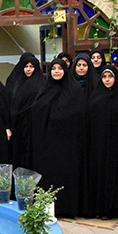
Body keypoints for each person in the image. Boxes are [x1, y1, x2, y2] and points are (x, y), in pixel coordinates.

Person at [30, 59, 88, 217]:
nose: (56, 71)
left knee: (66, 176)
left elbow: (78, 114)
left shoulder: (74, 90)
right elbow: (36, 111)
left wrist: (59, 117)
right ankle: (48, 206)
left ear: (65, 70)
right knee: (49, 176)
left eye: (60, 68)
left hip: (68, 144)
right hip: (47, 144)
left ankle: (68, 209)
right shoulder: (45, 89)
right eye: (53, 68)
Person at [87, 65, 118, 218]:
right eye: (104, 77)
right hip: (99, 145)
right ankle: (100, 208)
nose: (107, 80)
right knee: (100, 175)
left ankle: (115, 207)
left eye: (110, 77)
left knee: (115, 176)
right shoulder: (95, 97)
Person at [6, 53, 44, 170]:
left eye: (31, 67)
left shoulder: (41, 84)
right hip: (18, 126)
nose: (28, 69)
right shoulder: (18, 82)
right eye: (26, 66)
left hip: (34, 126)